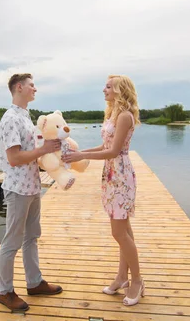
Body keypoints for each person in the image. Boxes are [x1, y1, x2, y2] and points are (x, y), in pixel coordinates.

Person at [62, 74, 144, 306]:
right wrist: (77, 153)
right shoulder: (112, 114)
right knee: (124, 230)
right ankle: (121, 277)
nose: (104, 90)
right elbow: (104, 147)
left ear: (120, 90)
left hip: (120, 176)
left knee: (119, 233)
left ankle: (137, 280)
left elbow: (114, 151)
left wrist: (82, 156)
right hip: (111, 175)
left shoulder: (126, 116)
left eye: (108, 87)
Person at [0, 73, 63, 312]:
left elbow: (33, 152)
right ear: (19, 87)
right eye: (31, 85)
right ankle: (5, 292)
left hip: (32, 186)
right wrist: (43, 149)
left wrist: (51, 152)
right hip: (17, 188)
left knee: (31, 236)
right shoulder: (10, 118)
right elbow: (14, 158)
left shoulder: (26, 116)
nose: (35, 88)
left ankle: (34, 283)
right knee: (11, 242)